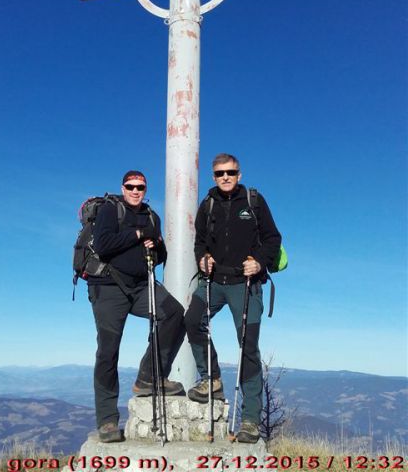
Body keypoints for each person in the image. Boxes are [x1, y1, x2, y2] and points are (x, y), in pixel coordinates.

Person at [185, 153, 281, 443]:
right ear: (213, 177)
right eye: (219, 173)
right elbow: (199, 241)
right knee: (191, 320)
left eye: (230, 172)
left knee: (248, 348)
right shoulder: (208, 204)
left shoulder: (254, 202)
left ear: (239, 174)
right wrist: (202, 258)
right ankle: (211, 378)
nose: (225, 177)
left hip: (246, 283)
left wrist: (260, 263)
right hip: (214, 281)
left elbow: (273, 239)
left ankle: (250, 420)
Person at [89, 170, 185, 443]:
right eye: (130, 186)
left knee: (175, 314)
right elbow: (103, 245)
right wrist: (138, 234)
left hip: (142, 285)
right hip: (108, 286)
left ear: (145, 189)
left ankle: (149, 377)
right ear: (123, 187)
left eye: (140, 187)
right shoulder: (111, 209)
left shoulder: (152, 215)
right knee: (108, 350)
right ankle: (107, 421)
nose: (135, 191)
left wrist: (156, 245)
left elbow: (161, 255)